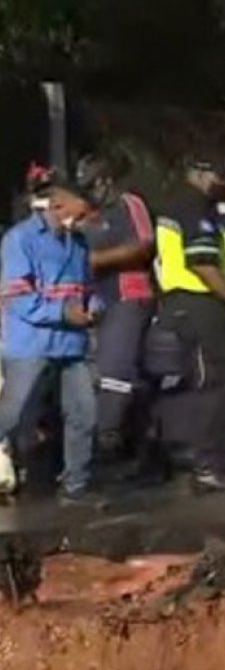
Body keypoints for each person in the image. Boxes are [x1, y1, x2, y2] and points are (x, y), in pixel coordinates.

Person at [154, 158, 225, 493]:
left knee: (205, 383)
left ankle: (200, 460)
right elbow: (202, 263)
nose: (222, 183)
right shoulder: (192, 206)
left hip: (192, 305)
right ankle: (206, 467)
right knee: (214, 384)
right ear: (199, 174)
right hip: (199, 304)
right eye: (218, 175)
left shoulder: (186, 205)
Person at [0, 177, 104, 507]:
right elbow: (17, 296)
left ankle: (76, 488)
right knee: (13, 414)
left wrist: (93, 307)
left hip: (71, 345)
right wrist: (62, 312)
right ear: (58, 206)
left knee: (83, 413)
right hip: (31, 344)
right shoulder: (20, 239)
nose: (85, 221)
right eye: (81, 213)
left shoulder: (78, 244)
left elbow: (87, 288)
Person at [74, 154, 157, 463]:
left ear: (107, 181)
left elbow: (144, 245)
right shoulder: (85, 215)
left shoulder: (129, 204)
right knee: (90, 371)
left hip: (129, 294)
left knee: (115, 368)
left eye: (92, 186)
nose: (89, 193)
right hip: (94, 298)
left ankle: (108, 440)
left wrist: (95, 261)